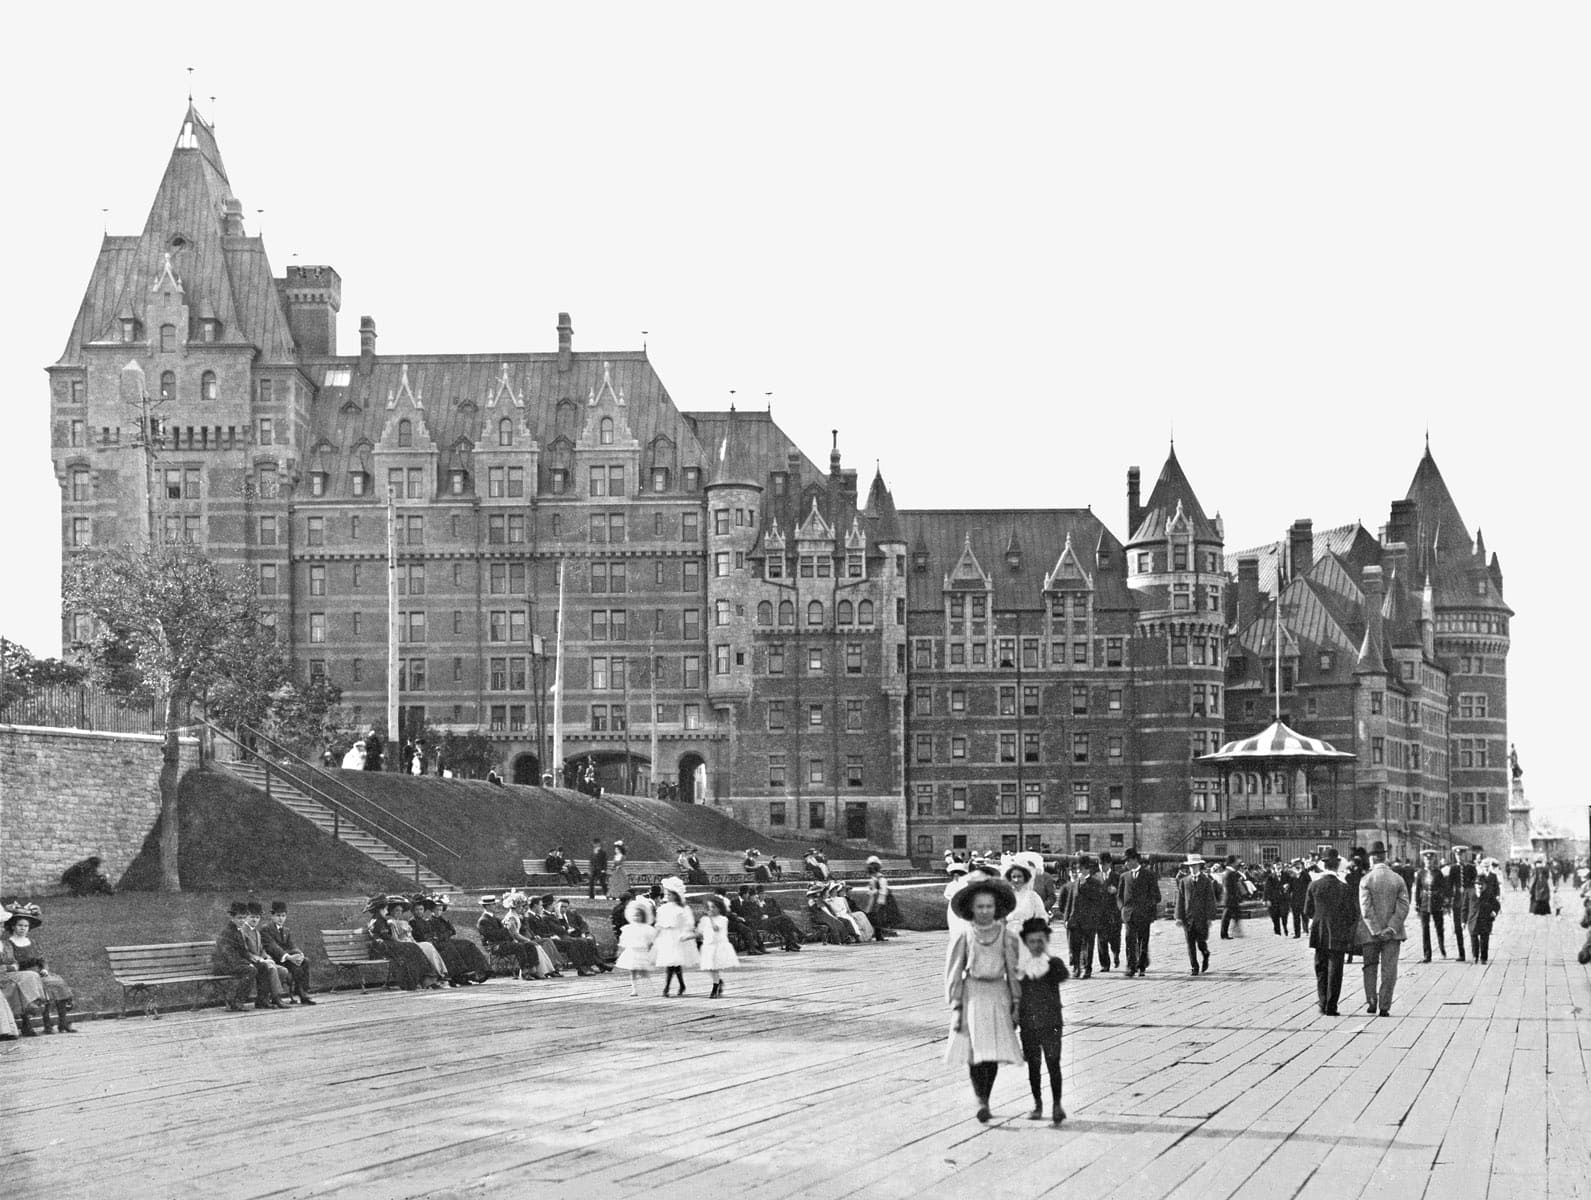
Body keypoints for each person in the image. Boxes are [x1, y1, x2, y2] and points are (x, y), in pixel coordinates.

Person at [944, 875, 1022, 1124]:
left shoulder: (1007, 936)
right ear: (971, 909)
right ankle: (981, 1100)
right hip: (972, 995)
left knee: (992, 1050)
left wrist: (1016, 1003)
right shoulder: (964, 935)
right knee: (975, 1050)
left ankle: (986, 1097)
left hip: (998, 994)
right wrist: (956, 1003)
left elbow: (1014, 972)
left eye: (989, 906)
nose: (985, 911)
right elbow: (954, 970)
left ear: (996, 908)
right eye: (980, 906)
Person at [1015, 917, 1069, 1125]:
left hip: (1051, 1023)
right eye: (1032, 941)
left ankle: (1057, 1105)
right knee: (1033, 1066)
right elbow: (1016, 995)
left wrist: (1047, 958)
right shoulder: (1021, 968)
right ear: (1026, 943)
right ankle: (1037, 1104)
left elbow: (1063, 975)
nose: (1036, 945)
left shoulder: (1053, 964)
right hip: (1029, 1025)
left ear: (1046, 942)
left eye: (1040, 941)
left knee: (1053, 1063)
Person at [1357, 841, 1410, 1017]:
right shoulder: (1398, 879)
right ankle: (1385, 1005)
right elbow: (1404, 906)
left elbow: (1365, 908)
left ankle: (1371, 1001)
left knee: (1370, 967)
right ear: (1385, 857)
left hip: (1370, 933)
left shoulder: (1366, 879)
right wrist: (1391, 928)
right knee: (1389, 969)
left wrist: (1376, 929)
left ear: (1372, 858)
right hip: (1393, 934)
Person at [1304, 852, 1356, 1016]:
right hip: (1338, 933)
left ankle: (1322, 1002)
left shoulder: (1314, 885)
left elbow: (1307, 911)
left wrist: (1319, 918)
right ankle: (1331, 1006)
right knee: (1335, 970)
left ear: (1323, 865)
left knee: (1321, 968)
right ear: (1338, 865)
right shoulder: (1344, 887)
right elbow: (1352, 914)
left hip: (1319, 932)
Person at [411, 896, 490, 985]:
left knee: (466, 943)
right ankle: (459, 974)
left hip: (440, 940)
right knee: (448, 946)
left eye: (421, 909)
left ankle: (480, 969)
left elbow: (450, 931)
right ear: (413, 911)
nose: (419, 912)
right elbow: (423, 936)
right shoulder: (414, 922)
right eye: (417, 910)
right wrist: (439, 936)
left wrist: (440, 936)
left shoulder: (429, 920)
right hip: (429, 943)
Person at [365, 896, 437, 990]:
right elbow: (385, 936)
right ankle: (422, 979)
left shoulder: (380, 919)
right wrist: (397, 939)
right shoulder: (378, 921)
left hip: (386, 945)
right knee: (412, 948)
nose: (386, 911)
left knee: (411, 949)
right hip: (382, 947)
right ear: (380, 909)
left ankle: (421, 979)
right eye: (385, 909)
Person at [477, 895, 550, 979]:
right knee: (518, 946)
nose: (495, 906)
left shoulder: (494, 918)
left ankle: (533, 970)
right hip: (494, 945)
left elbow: (504, 933)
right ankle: (524, 971)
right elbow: (493, 936)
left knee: (529, 945)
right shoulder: (483, 920)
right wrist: (506, 929)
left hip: (502, 942)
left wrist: (507, 932)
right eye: (493, 904)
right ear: (487, 906)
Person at [258, 901, 315, 1004]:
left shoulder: (286, 930)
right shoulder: (266, 929)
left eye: (283, 916)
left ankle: (303, 990)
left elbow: (292, 945)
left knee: (305, 961)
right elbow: (273, 947)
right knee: (296, 966)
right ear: (272, 916)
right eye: (278, 915)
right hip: (276, 959)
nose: (281, 919)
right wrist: (289, 957)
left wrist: (299, 954)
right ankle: (300, 992)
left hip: (287, 959)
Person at [653, 878, 700, 997]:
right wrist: (655, 935)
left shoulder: (683, 908)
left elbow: (689, 923)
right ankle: (681, 985)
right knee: (672, 962)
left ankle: (667, 988)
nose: (667, 896)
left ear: (676, 895)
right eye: (667, 894)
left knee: (673, 963)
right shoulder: (663, 908)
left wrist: (686, 934)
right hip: (667, 937)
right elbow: (659, 923)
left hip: (678, 936)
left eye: (670, 894)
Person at [386, 899, 449, 988]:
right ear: (391, 911)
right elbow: (396, 938)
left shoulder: (404, 922)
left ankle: (441, 972)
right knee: (427, 947)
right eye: (397, 911)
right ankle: (438, 975)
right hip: (403, 944)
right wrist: (405, 938)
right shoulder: (391, 922)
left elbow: (411, 936)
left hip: (412, 942)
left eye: (400, 911)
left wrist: (414, 941)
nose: (399, 913)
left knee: (428, 946)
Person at [1062, 857, 1106, 978]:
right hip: (1075, 919)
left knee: (1088, 946)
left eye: (1080, 869)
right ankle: (1077, 968)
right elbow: (1069, 902)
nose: (1078, 871)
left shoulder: (1095, 883)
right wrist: (1066, 918)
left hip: (1089, 921)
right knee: (1075, 945)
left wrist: (1085, 884)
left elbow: (1097, 899)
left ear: (1087, 870)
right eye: (1077, 869)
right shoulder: (1074, 884)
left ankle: (1087, 968)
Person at [1119, 848, 1160, 977]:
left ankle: (1141, 966)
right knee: (1129, 941)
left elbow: (1157, 896)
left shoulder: (1149, 875)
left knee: (1143, 941)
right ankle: (1130, 967)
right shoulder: (1124, 876)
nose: (1126, 864)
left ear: (1135, 860)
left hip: (1144, 915)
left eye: (1127, 861)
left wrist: (1147, 907)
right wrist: (1122, 909)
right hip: (1129, 915)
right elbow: (1119, 896)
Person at [1175, 855, 1217, 976]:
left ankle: (1205, 953)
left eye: (1195, 866)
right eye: (1191, 866)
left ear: (1199, 866)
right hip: (1188, 918)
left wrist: (1209, 917)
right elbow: (1180, 900)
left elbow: (1210, 900)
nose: (1193, 868)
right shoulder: (1184, 881)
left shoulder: (1206, 881)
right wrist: (1178, 917)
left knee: (1201, 942)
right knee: (1190, 943)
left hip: (1201, 918)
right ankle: (1194, 966)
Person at [696, 894, 740, 999]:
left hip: (719, 946)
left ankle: (715, 989)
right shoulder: (705, 919)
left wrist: (710, 918)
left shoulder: (723, 919)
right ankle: (719, 981)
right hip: (708, 945)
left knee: (714, 967)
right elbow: (700, 932)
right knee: (708, 968)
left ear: (720, 908)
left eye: (714, 907)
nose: (711, 909)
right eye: (710, 907)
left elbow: (716, 928)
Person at [1414, 849, 1451, 962]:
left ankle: (1442, 950)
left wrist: (1444, 903)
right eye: (1427, 859)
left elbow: (1443, 888)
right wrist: (1417, 904)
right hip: (1425, 903)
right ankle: (1427, 954)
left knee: (1439, 928)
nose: (1429, 861)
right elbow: (1418, 889)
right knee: (1425, 929)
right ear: (1424, 860)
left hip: (1436, 902)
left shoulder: (1438, 873)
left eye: (1430, 859)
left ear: (1434, 860)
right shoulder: (1420, 873)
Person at [616, 897, 657, 997]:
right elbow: (623, 940)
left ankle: (649, 986)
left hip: (642, 952)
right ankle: (634, 989)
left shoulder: (647, 929)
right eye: (634, 915)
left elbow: (651, 940)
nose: (636, 918)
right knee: (632, 971)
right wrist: (620, 950)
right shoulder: (629, 928)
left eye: (638, 915)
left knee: (644, 972)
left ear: (643, 916)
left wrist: (650, 950)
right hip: (632, 952)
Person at [1469, 859, 1503, 964]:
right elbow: (1466, 906)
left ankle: (1483, 958)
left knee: (1484, 936)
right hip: (1475, 916)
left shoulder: (1493, 876)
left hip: (1487, 907)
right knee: (1474, 936)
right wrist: (1464, 919)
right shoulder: (1478, 879)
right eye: (1484, 866)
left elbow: (1496, 889)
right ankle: (1475, 956)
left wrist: (1495, 909)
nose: (1486, 868)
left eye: (1488, 866)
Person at [1448, 847, 1477, 963]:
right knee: (1458, 928)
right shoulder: (1453, 868)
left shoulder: (1471, 868)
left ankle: (1475, 953)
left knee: (1472, 927)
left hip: (1469, 901)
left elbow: (1476, 883)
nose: (1459, 857)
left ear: (1465, 855)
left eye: (1461, 855)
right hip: (1457, 902)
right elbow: (1449, 885)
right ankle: (1461, 954)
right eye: (1457, 855)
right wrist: (1448, 901)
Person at [1096, 852, 1123, 970]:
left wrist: (1116, 891)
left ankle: (1116, 954)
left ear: (1109, 864)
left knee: (1115, 937)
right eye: (1100, 864)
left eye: (1104, 864)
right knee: (1101, 939)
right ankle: (1105, 964)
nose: (1102, 866)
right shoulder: (1095, 877)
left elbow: (1123, 892)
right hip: (1100, 913)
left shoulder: (1117, 877)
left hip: (1114, 913)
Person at [754, 887, 804, 951]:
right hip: (763, 923)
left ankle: (791, 944)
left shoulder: (768, 901)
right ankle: (797, 936)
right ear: (757, 895)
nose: (763, 895)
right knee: (785, 918)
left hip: (773, 920)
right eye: (760, 894)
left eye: (763, 893)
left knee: (784, 924)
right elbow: (757, 915)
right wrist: (760, 907)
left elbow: (775, 911)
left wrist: (769, 915)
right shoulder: (755, 903)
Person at [866, 857, 900, 940]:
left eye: (873, 871)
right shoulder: (874, 878)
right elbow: (872, 888)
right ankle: (877, 934)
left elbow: (883, 891)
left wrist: (880, 901)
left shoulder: (881, 878)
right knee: (874, 916)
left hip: (881, 899)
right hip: (875, 899)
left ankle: (880, 934)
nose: (872, 874)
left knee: (880, 916)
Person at [1218, 856, 1246, 940]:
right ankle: (1224, 934)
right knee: (1227, 917)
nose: (1237, 863)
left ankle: (1234, 931)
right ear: (1232, 863)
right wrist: (1234, 896)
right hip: (1230, 898)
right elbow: (1229, 888)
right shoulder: (1229, 873)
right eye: (1236, 862)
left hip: (1231, 898)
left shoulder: (1230, 872)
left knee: (1235, 914)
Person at [1287, 860, 1311, 938]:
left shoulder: (1305, 875)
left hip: (1304, 899)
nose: (1297, 868)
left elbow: (1310, 885)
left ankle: (1306, 930)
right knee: (1296, 917)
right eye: (1295, 866)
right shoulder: (1292, 876)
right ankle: (1297, 933)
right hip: (1295, 900)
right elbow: (1290, 888)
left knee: (1305, 916)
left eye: (1298, 866)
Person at [1263, 865, 1289, 935]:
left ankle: (1285, 927)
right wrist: (1265, 899)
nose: (1278, 870)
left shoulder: (1286, 875)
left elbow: (1291, 884)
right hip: (1274, 899)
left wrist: (1288, 887)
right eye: (1277, 868)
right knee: (1275, 916)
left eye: (1280, 868)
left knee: (1284, 914)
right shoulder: (1270, 877)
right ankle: (1277, 931)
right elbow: (1266, 889)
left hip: (1284, 899)